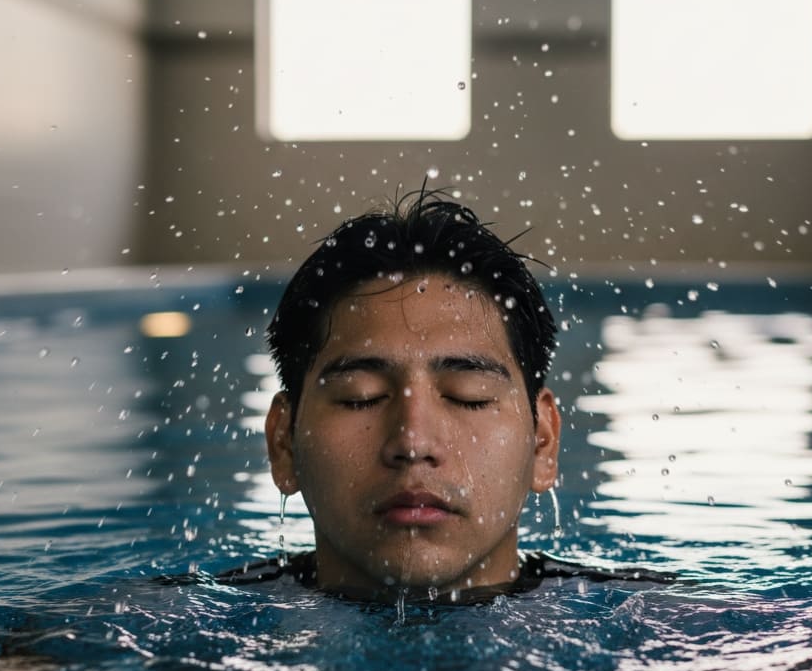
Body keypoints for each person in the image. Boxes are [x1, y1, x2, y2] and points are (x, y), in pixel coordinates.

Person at [219, 190, 671, 601]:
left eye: (468, 396)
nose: (413, 442)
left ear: (543, 441)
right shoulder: (168, 630)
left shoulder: (667, 621)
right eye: (361, 397)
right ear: (284, 441)